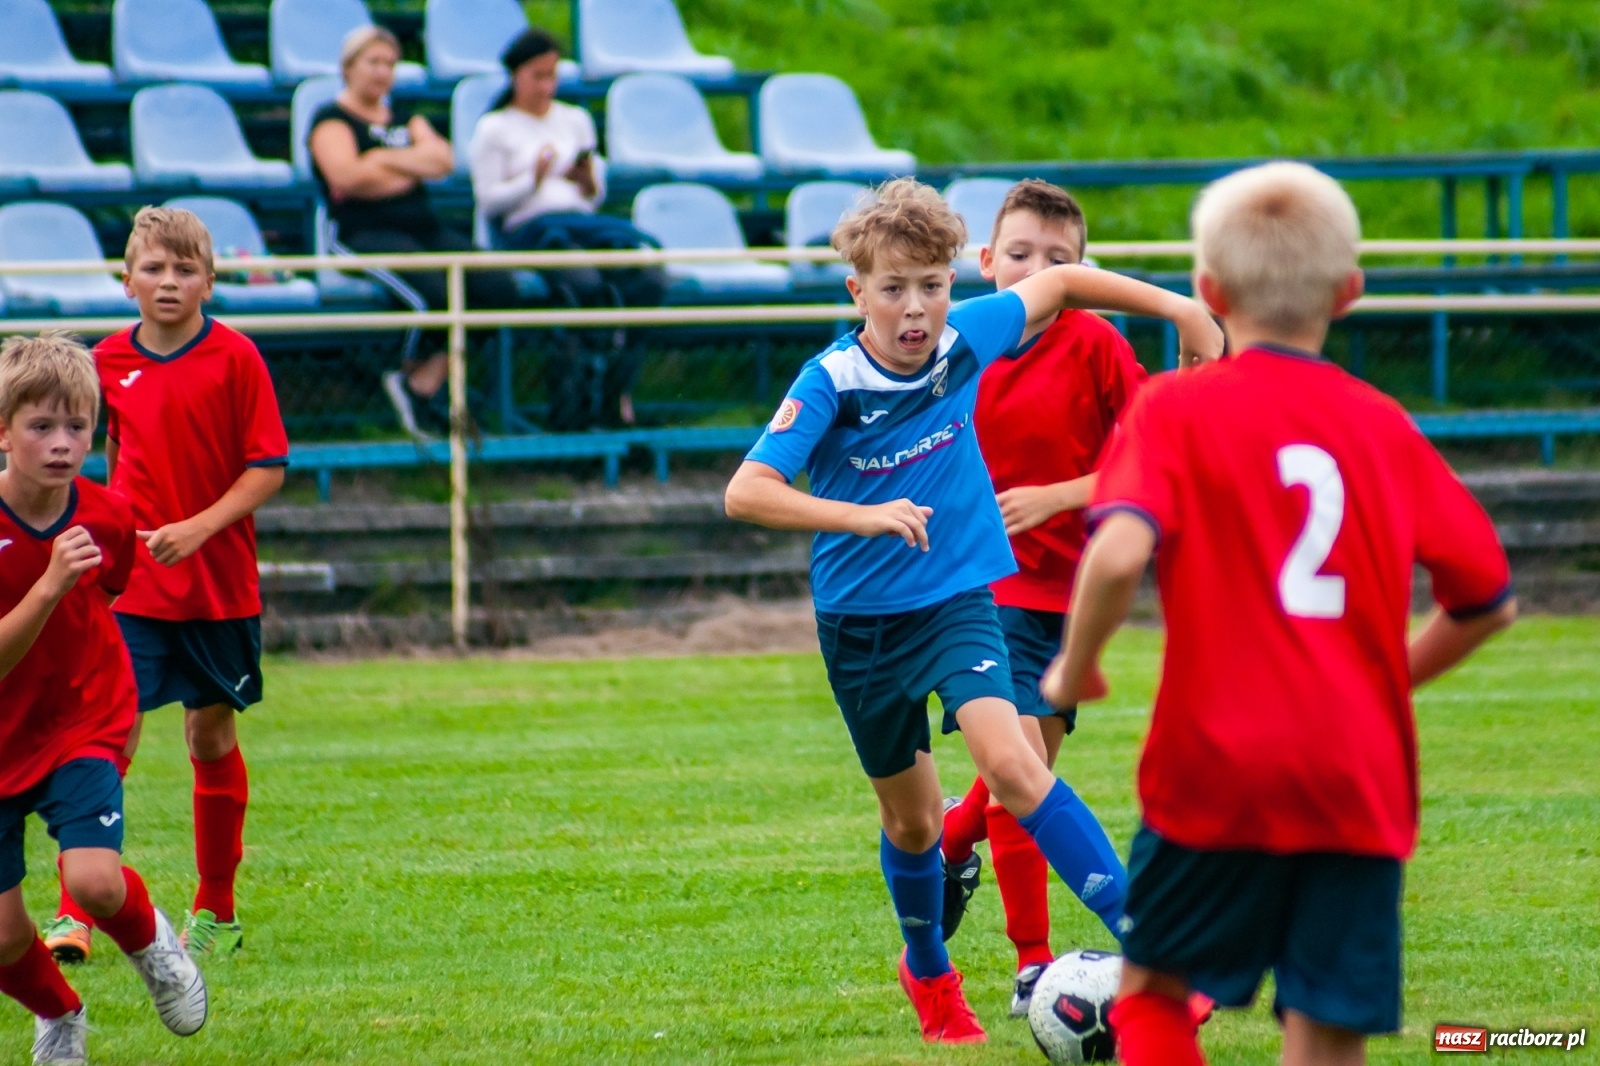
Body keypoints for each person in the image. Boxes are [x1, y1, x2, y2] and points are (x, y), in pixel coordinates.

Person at [723, 178, 1222, 1045]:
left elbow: (1062, 284)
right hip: (862, 626)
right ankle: (928, 969)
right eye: (893, 289)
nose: (916, 309)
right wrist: (861, 516)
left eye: (932, 285)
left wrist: (1181, 308)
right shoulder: (831, 381)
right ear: (858, 291)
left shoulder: (966, 338)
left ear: (954, 283)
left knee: (1017, 767)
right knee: (913, 822)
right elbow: (747, 491)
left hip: (956, 601)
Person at [1040, 161, 1517, 1066]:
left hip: (1213, 768)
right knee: (1326, 1028)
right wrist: (1384, 680)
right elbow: (1487, 600)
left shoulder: (1175, 410)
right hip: (1356, 774)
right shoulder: (1382, 424)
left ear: (1210, 291)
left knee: (1153, 995)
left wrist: (1076, 665)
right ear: (1350, 290)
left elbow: (1121, 549)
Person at [41, 207, 287, 964]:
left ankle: (216, 910)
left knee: (209, 735)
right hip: (132, 586)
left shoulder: (237, 357)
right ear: (128, 282)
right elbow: (91, 451)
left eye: (185, 270)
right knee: (103, 736)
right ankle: (74, 913)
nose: (169, 282)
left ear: (209, 281)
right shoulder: (106, 362)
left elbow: (267, 469)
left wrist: (199, 528)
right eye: (154, 268)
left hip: (217, 586)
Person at [936, 180, 1147, 1017]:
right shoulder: (959, 342)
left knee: (1024, 778)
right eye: (1020, 254)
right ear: (987, 261)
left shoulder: (1097, 345)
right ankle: (1033, 966)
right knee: (1018, 778)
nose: (1037, 271)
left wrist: (1059, 496)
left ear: (1083, 274)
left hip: (1069, 594)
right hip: (979, 591)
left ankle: (951, 840)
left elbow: (1151, 458)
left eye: (1059, 260)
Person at [0, 333, 208, 1065]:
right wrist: (48, 585)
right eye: (41, 426)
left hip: (79, 721)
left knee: (92, 882)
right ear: (3, 432)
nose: (62, 443)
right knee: (2, 936)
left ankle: (156, 950)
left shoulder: (110, 516)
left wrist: (106, 706)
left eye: (77, 426)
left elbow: (106, 598)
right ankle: (60, 1014)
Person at [308, 25, 526, 437]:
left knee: (498, 288)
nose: (382, 72)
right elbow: (346, 177)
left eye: (390, 64)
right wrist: (409, 164)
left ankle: (422, 382)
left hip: (423, 228)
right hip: (362, 231)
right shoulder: (330, 120)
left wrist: (378, 160)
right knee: (435, 296)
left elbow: (443, 161)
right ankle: (405, 374)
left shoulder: (407, 117)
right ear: (348, 67)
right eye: (373, 62)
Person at [469, 28, 668, 429]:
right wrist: (534, 179)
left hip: (581, 225)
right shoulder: (494, 127)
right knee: (583, 282)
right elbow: (489, 202)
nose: (547, 86)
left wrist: (585, 180)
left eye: (552, 75)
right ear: (516, 75)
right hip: (531, 232)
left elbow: (593, 197)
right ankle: (574, 408)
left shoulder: (574, 119)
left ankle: (615, 393)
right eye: (537, 76)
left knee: (649, 279)